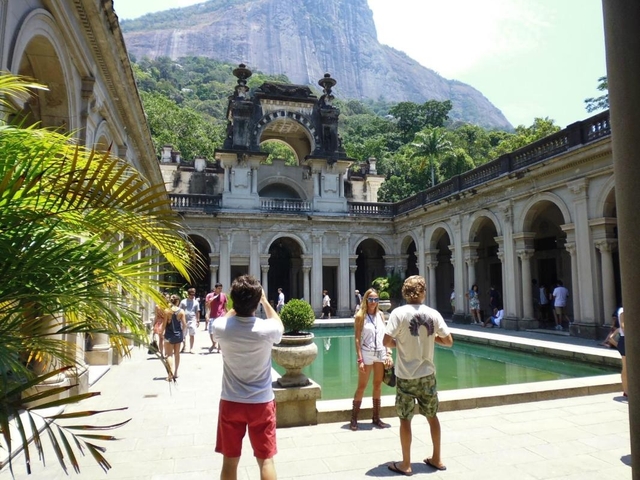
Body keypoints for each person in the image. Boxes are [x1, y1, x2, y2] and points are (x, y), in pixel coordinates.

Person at [211, 274, 284, 480]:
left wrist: (236, 305)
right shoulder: (267, 329)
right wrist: (264, 301)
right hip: (261, 403)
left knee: (229, 461)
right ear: (257, 298)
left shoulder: (221, 328)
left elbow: (220, 321)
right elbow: (279, 324)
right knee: (266, 460)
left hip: (231, 402)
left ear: (233, 299)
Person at [383, 275, 453, 475]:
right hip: (427, 375)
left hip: (406, 376)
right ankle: (437, 458)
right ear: (422, 291)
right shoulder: (433, 314)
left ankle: (406, 464)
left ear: (406, 292)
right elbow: (448, 341)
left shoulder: (398, 313)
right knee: (432, 416)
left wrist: (401, 344)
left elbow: (386, 341)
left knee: (405, 419)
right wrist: (431, 339)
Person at [350, 288, 393, 431]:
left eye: (376, 299)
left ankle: (376, 418)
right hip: (367, 353)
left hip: (380, 352)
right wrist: (360, 359)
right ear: (366, 300)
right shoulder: (360, 316)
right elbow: (357, 339)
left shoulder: (381, 315)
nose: (373, 302)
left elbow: (386, 335)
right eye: (371, 299)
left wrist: (388, 353)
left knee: (377, 385)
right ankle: (354, 419)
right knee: (362, 386)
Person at [163, 294, 187, 380]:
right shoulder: (181, 311)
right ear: (178, 302)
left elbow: (164, 324)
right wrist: (183, 334)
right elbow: (184, 325)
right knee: (177, 353)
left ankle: (170, 373)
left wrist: (162, 332)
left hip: (169, 335)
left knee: (169, 355)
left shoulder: (167, 311)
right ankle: (176, 372)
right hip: (178, 335)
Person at [206, 283, 227, 353]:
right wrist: (207, 314)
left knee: (221, 332)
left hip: (221, 315)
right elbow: (207, 305)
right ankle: (213, 344)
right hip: (212, 315)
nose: (220, 290)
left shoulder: (223, 295)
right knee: (211, 331)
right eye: (218, 288)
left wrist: (227, 315)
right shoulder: (210, 295)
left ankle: (219, 347)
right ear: (215, 289)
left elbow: (225, 306)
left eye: (221, 288)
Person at [179, 287, 200, 353]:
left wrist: (198, 320)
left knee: (192, 334)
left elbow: (197, 311)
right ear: (188, 294)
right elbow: (180, 310)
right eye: (191, 294)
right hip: (184, 320)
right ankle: (184, 346)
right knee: (183, 335)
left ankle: (191, 348)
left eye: (193, 294)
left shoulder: (196, 302)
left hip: (192, 320)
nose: (192, 296)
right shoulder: (183, 301)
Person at [153, 292, 171, 357]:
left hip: (166, 323)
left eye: (169, 297)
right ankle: (162, 353)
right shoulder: (159, 306)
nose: (168, 299)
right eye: (167, 297)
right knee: (162, 339)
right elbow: (156, 316)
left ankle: (165, 353)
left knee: (165, 339)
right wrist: (154, 325)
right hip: (161, 323)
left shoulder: (168, 306)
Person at [616, 307, 627, 398]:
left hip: (627, 340)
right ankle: (626, 390)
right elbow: (623, 326)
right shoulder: (622, 310)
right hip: (625, 340)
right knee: (626, 367)